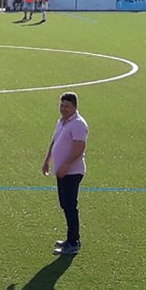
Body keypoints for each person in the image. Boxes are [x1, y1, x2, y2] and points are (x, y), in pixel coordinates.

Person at [42, 92, 88, 256]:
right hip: (63, 171)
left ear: (75, 106)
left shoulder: (78, 124)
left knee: (70, 206)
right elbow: (55, 141)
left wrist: (66, 166)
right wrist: (48, 159)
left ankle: (73, 242)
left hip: (72, 172)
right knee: (65, 204)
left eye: (67, 106)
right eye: (61, 105)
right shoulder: (62, 122)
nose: (63, 109)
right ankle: (70, 239)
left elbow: (79, 147)